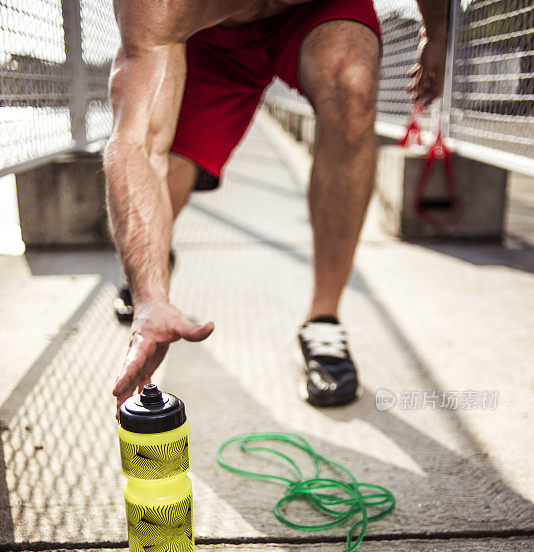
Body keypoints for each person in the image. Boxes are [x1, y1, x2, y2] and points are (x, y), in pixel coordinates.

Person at [105, 0, 447, 413]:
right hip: (208, 32)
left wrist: (436, 32)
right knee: (173, 167)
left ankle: (323, 321)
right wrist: (149, 295)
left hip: (318, 10)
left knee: (352, 84)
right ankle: (154, 265)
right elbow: (136, 144)